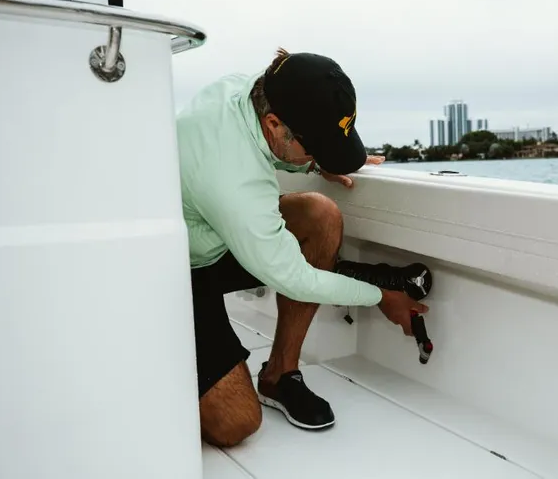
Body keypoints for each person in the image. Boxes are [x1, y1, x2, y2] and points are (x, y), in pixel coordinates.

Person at [176, 48, 432, 448]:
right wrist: (380, 295)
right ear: (275, 124)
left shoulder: (256, 91)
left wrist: (314, 161)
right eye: (314, 147)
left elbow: (284, 148)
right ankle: (164, 366)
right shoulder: (232, 176)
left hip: (215, 234)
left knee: (319, 215)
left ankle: (280, 374)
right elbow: (294, 279)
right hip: (177, 271)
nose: (318, 157)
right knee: (236, 423)